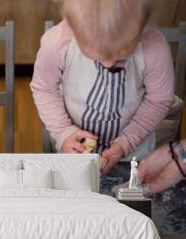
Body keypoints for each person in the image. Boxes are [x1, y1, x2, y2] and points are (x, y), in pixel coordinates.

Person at [31, 0, 174, 174]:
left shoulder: (155, 48)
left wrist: (127, 142)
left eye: (121, 58)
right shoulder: (57, 43)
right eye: (96, 58)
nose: (108, 64)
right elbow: (44, 89)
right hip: (72, 151)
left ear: (142, 29)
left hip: (133, 156)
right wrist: (63, 132)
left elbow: (158, 100)